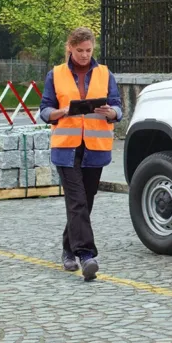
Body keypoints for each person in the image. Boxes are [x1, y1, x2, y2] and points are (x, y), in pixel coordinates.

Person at [39, 27, 122, 281]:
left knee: (86, 202)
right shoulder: (55, 74)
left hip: (95, 149)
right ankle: (87, 255)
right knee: (77, 202)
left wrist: (111, 113)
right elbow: (44, 110)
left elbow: (118, 108)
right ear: (70, 48)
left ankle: (68, 249)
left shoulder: (105, 73)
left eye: (88, 50)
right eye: (80, 50)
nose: (85, 55)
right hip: (66, 148)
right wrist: (62, 111)